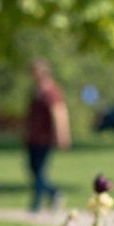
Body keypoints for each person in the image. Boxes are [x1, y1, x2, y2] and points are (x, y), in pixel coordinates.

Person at [24, 59, 70, 210]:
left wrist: (62, 135)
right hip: (33, 137)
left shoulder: (50, 91)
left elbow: (59, 113)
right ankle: (52, 193)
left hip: (45, 137)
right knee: (33, 169)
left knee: (39, 171)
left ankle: (36, 204)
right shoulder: (36, 90)